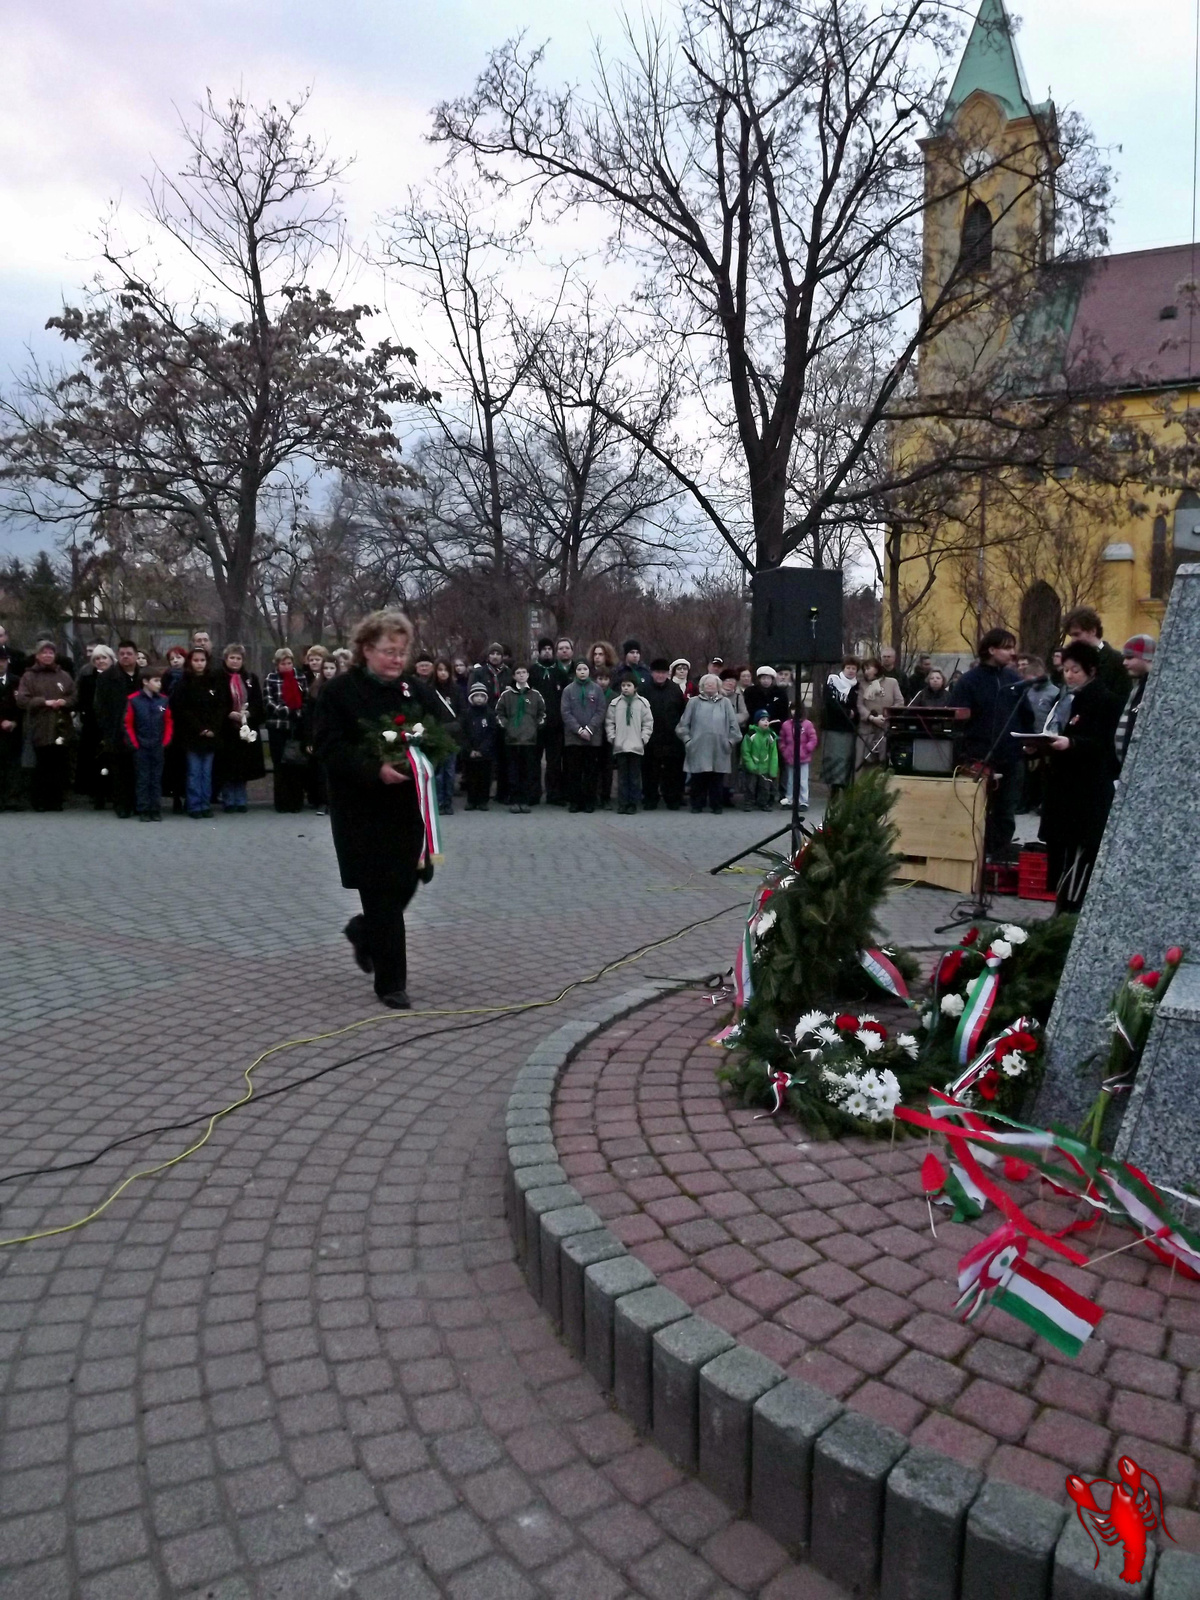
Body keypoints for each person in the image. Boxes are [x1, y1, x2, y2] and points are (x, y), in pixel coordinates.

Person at [315, 610, 437, 1010]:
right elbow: (329, 748)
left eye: (401, 652)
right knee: (381, 893)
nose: (396, 659)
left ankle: (364, 932)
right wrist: (375, 769)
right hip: (361, 810)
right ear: (366, 649)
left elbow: (446, 728)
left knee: (408, 880)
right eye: (388, 651)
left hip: (406, 808)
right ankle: (391, 983)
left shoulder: (414, 690)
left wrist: (430, 753)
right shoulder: (339, 693)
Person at [1035, 641, 1122, 913]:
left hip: (1086, 795)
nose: (1069, 675)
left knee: (1079, 859)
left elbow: (1103, 745)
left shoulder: (1103, 700)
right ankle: (1061, 910)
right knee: (1061, 855)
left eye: (1076, 670)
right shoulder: (1066, 698)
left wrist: (1071, 744)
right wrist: (1037, 745)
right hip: (1063, 791)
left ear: (1091, 671)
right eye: (1066, 670)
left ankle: (1071, 914)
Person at [949, 627, 1031, 861]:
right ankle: (973, 857)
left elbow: (1026, 714)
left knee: (1006, 811)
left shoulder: (1014, 679)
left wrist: (1028, 741)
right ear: (991, 649)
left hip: (1012, 756)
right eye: (1007, 647)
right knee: (978, 809)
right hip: (980, 756)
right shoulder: (969, 682)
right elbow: (956, 720)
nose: (1012, 653)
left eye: (1013, 647)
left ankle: (999, 856)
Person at [15, 641, 76, 812]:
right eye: (44, 652)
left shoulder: (64, 675)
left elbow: (75, 696)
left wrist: (65, 702)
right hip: (39, 725)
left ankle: (56, 800)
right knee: (41, 766)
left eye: (51, 652)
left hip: (61, 726)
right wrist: (44, 702)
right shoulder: (28, 676)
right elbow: (22, 700)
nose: (48, 655)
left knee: (59, 764)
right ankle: (39, 801)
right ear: (37, 655)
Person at [677, 674, 742, 813]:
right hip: (698, 747)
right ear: (702, 686)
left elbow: (734, 727)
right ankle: (696, 805)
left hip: (720, 748)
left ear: (718, 686)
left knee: (717, 779)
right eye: (707, 684)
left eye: (713, 684)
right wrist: (688, 741)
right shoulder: (693, 702)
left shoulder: (725, 703)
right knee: (698, 778)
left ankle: (716, 805)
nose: (710, 686)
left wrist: (729, 742)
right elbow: (682, 726)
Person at [213, 644, 266, 813]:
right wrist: (228, 713)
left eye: (238, 658)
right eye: (232, 658)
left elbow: (258, 702)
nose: (235, 661)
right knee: (227, 767)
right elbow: (216, 702)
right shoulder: (217, 677)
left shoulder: (251, 678)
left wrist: (249, 713)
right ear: (226, 659)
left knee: (243, 767)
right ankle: (228, 800)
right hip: (226, 728)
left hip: (245, 729)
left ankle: (241, 800)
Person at [172, 647, 223, 817]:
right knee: (194, 772)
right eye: (196, 660)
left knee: (207, 773)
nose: (199, 664)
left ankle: (205, 804)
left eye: (202, 660)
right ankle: (194, 805)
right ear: (190, 662)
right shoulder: (184, 682)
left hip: (211, 735)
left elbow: (220, 707)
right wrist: (200, 728)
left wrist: (212, 728)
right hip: (191, 735)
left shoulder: (214, 681)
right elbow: (182, 709)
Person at [93, 640, 142, 817]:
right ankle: (122, 805)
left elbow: (160, 702)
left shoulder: (144, 676)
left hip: (141, 730)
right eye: (122, 653)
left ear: (136, 655)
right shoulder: (106, 677)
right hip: (117, 730)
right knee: (120, 771)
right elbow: (100, 707)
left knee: (139, 769)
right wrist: (107, 730)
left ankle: (139, 804)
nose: (125, 657)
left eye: (129, 653)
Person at [123, 661, 173, 820]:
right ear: (145, 682)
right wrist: (134, 744)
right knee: (143, 779)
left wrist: (165, 742)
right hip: (141, 746)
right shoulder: (133, 700)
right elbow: (127, 723)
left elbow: (168, 722)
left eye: (160, 681)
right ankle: (143, 809)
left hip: (158, 745)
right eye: (156, 681)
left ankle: (155, 809)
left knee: (156, 779)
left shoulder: (163, 700)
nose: (159, 684)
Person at [496, 665, 546, 813]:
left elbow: (542, 713)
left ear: (528, 675)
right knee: (513, 771)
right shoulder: (507, 695)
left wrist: (534, 727)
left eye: (524, 672)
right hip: (512, 740)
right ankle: (514, 800)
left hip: (529, 740)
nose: (521, 675)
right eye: (518, 672)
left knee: (527, 771)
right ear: (514, 676)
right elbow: (499, 713)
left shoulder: (536, 695)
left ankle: (525, 800)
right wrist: (507, 726)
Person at [533, 638, 576, 806]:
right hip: (536, 725)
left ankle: (554, 794)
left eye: (549, 649)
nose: (547, 652)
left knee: (554, 763)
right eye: (543, 649)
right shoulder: (532, 671)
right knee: (534, 761)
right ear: (539, 651)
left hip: (556, 725)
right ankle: (534, 792)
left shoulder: (560, 674)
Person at [264, 647, 307, 813]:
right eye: (283, 663)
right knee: (280, 765)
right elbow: (268, 701)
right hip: (278, 725)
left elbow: (306, 698)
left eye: (289, 663)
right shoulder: (271, 678)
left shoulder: (300, 677)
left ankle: (296, 802)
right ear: (277, 664)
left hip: (296, 726)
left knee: (295, 764)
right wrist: (288, 710)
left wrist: (299, 711)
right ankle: (281, 802)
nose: (287, 666)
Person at [561, 659, 606, 813]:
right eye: (579, 669)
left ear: (589, 671)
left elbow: (601, 711)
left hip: (592, 739)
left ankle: (589, 801)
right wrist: (579, 730)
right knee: (574, 771)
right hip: (573, 739)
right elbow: (565, 713)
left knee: (591, 772)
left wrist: (589, 729)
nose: (582, 672)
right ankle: (575, 801)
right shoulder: (568, 690)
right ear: (575, 671)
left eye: (585, 669)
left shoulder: (597, 689)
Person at [642, 658, 687, 810]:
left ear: (667, 673)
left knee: (672, 771)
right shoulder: (644, 689)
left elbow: (682, 711)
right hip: (650, 736)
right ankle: (650, 798)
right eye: (657, 673)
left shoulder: (675, 689)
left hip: (671, 737)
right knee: (650, 770)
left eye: (663, 673)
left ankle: (672, 799)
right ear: (652, 673)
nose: (660, 676)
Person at [605, 674, 653, 813]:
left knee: (634, 777)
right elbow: (609, 722)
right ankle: (623, 802)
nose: (625, 688)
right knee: (622, 777)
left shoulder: (643, 703)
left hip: (636, 746)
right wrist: (612, 737)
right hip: (620, 745)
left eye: (629, 686)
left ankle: (633, 803)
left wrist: (644, 738)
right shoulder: (615, 703)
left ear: (635, 687)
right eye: (623, 686)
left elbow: (648, 723)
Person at [1063, 607, 1131, 706]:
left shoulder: (1117, 660)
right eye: (1071, 636)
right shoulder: (1073, 660)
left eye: (1077, 634)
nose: (1073, 640)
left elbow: (1123, 699)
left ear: (1092, 631)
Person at [75, 643, 113, 803]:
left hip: (113, 723)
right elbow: (81, 700)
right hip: (92, 723)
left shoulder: (118, 677)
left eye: (104, 657)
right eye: (97, 658)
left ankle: (112, 791)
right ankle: (96, 793)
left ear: (111, 658)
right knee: (94, 758)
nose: (100, 661)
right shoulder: (87, 679)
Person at [430, 659, 464, 815]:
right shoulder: (430, 690)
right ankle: (438, 801)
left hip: (452, 737)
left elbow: (463, 713)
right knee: (437, 772)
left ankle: (448, 802)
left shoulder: (456, 690)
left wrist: (454, 726)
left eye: (445, 670)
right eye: (440, 669)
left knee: (450, 771)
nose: (442, 673)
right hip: (435, 736)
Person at [855, 658, 904, 768]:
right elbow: (859, 704)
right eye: (864, 669)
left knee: (884, 761)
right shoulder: (862, 685)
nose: (866, 672)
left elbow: (899, 702)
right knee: (863, 762)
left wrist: (887, 715)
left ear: (876, 669)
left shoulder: (892, 682)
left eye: (868, 668)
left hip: (885, 728)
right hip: (867, 728)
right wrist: (871, 718)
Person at [1115, 634, 1155, 768]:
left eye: (1130, 657)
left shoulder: (1152, 689)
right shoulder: (1138, 686)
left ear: (1147, 658)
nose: (1124, 663)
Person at [822, 659, 860, 797]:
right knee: (834, 758)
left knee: (846, 759)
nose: (851, 670)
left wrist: (853, 712)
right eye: (848, 667)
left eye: (854, 668)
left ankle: (844, 785)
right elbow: (829, 703)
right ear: (843, 668)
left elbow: (858, 705)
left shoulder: (857, 687)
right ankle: (834, 788)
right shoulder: (832, 682)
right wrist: (845, 711)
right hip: (833, 726)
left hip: (848, 728)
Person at [461, 682, 497, 810]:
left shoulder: (490, 714)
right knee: (471, 777)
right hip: (470, 752)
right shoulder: (467, 714)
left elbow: (492, 733)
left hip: (485, 753)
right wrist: (470, 749)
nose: (479, 698)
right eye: (477, 696)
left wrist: (482, 749)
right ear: (472, 698)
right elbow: (463, 733)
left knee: (485, 777)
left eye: (482, 696)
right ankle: (471, 800)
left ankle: (483, 801)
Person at [0, 645, 27, 811]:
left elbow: (23, 705)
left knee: (13, 766)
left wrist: (15, 721)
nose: (0, 664)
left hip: (14, 730)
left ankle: (12, 799)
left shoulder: (17, 681)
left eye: (2, 661)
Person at [778, 707, 817, 810]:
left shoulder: (807, 724)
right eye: (792, 709)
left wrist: (806, 749)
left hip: (803, 758)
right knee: (790, 780)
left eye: (796, 708)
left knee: (803, 781)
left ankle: (803, 801)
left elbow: (813, 739)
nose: (794, 711)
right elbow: (781, 740)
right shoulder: (786, 725)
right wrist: (784, 751)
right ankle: (790, 800)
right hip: (790, 757)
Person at [741, 708, 780, 809]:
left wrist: (773, 769)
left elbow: (773, 754)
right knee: (750, 785)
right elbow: (745, 751)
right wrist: (750, 765)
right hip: (752, 766)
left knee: (765, 786)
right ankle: (749, 802)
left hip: (765, 766)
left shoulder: (771, 736)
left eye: (767, 720)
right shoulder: (751, 735)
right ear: (757, 722)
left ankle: (763, 802)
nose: (765, 722)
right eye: (762, 720)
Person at [743, 665, 790, 731]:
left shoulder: (780, 692)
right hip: (755, 726)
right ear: (759, 679)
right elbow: (749, 709)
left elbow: (784, 712)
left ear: (772, 679)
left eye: (768, 678)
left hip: (775, 727)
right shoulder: (750, 691)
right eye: (763, 678)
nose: (766, 681)